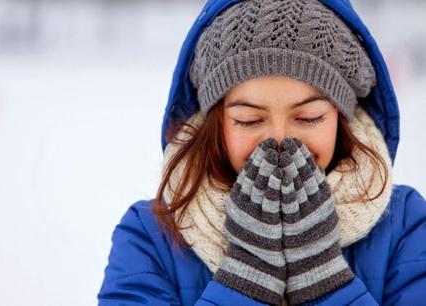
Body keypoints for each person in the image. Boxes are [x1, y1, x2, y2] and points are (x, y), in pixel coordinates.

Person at [97, 0, 426, 305]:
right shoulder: (150, 237)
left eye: (309, 117)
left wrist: (325, 279)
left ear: (340, 119)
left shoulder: (405, 226)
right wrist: (244, 280)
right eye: (249, 120)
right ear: (217, 123)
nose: (280, 141)